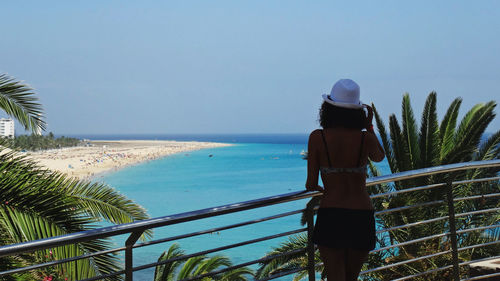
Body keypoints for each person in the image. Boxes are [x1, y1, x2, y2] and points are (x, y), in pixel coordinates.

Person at [305, 79, 385, 281]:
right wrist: (369, 127)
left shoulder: (317, 137)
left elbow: (310, 183)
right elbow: (379, 156)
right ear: (357, 112)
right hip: (361, 214)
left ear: (327, 109)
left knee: (336, 277)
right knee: (351, 278)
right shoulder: (364, 138)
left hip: (332, 212)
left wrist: (326, 190)